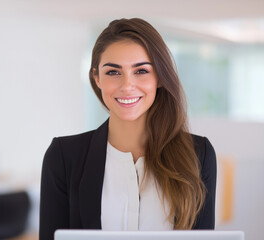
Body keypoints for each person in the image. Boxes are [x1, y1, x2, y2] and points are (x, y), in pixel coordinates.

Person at [39, 18, 217, 240]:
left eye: (141, 71)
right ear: (96, 78)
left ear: (160, 77)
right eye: (113, 72)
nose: (126, 86)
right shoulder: (63, 156)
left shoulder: (199, 153)